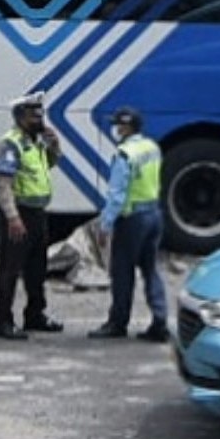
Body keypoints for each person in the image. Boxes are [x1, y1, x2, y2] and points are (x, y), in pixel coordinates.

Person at [87, 107, 169, 343]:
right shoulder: (151, 147)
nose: (115, 128)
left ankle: (117, 323)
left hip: (132, 219)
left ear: (125, 127)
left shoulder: (125, 154)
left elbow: (117, 194)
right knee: (150, 269)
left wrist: (105, 224)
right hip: (154, 214)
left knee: (122, 272)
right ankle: (160, 321)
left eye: (118, 125)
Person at [0, 92, 64, 340]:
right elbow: (3, 183)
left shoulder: (36, 142)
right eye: (33, 115)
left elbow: (48, 166)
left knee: (37, 269)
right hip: (18, 214)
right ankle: (2, 321)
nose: (39, 118)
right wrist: (12, 217)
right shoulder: (10, 143)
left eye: (40, 114)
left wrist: (55, 145)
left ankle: (35, 315)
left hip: (38, 214)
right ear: (20, 117)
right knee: (10, 270)